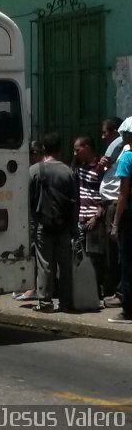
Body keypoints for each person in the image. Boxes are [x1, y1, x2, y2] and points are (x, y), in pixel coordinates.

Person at [30, 132, 78, 312]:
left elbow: (29, 200)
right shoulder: (68, 172)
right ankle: (66, 303)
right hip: (64, 226)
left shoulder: (34, 170)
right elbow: (75, 202)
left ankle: (45, 302)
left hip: (43, 224)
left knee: (45, 264)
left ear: (43, 149)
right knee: (65, 266)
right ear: (60, 149)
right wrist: (74, 228)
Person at [73, 135, 106, 298]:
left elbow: (105, 196)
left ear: (87, 148)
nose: (74, 153)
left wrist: (97, 217)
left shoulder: (100, 169)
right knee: (79, 257)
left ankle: (97, 293)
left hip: (94, 221)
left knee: (95, 259)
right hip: (80, 221)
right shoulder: (79, 169)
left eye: (77, 150)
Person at [13, 140, 45, 301]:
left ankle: (33, 289)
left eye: (31, 154)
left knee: (35, 253)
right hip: (32, 217)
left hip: (38, 218)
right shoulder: (31, 170)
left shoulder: (36, 171)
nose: (29, 157)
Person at [108, 117, 132, 324]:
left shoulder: (127, 158)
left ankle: (128, 311)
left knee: (127, 263)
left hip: (129, 217)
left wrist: (115, 223)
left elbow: (123, 193)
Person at [99, 117, 124, 305]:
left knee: (117, 253)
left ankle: (120, 292)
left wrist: (115, 221)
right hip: (109, 204)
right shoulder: (117, 154)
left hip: (116, 205)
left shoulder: (125, 152)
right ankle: (113, 289)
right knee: (111, 252)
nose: (102, 136)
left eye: (105, 132)